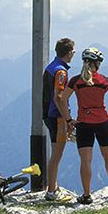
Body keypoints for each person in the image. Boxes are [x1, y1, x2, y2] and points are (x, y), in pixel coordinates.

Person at [58, 47, 108, 205]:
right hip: (103, 123)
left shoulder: (75, 81)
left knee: (85, 160)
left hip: (84, 124)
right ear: (97, 64)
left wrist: (69, 120)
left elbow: (62, 99)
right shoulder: (104, 80)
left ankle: (87, 195)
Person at [42, 37, 76, 202]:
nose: (73, 54)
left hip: (48, 114)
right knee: (57, 154)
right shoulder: (61, 72)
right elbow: (59, 97)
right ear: (68, 53)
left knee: (55, 153)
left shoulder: (51, 67)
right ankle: (51, 191)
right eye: (73, 51)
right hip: (57, 117)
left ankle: (53, 186)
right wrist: (68, 119)